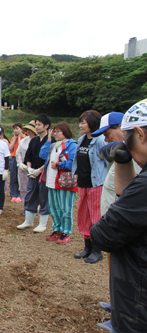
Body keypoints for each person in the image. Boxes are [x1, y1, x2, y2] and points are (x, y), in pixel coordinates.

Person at [90, 98, 147, 333]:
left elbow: (103, 236)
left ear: (140, 134)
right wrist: (124, 162)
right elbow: (131, 197)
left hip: (138, 303)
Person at [72, 110, 108, 264]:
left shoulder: (100, 140)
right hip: (83, 184)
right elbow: (77, 161)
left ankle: (97, 250)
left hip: (96, 184)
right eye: (80, 122)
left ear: (92, 123)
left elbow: (107, 162)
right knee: (83, 215)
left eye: (83, 122)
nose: (80, 125)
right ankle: (87, 247)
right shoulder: (81, 140)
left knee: (95, 217)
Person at [39, 122, 78, 244]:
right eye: (54, 131)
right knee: (54, 207)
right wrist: (48, 141)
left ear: (65, 132)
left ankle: (66, 231)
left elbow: (73, 164)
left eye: (58, 131)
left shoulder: (72, 145)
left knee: (65, 208)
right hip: (51, 180)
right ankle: (57, 230)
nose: (55, 134)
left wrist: (59, 164)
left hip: (64, 181)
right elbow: (42, 155)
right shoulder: (53, 145)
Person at [17, 114, 55, 232]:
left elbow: (50, 159)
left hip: (45, 173)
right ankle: (28, 221)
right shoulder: (33, 140)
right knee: (30, 195)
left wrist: (40, 170)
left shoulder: (52, 140)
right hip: (32, 172)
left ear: (46, 126)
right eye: (36, 124)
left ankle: (42, 224)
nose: (36, 127)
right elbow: (28, 156)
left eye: (39, 125)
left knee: (44, 196)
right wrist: (29, 169)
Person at [16, 121, 37, 207]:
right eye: (27, 130)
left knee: (34, 188)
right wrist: (20, 163)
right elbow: (18, 153)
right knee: (23, 187)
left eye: (31, 130)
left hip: (35, 168)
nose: (29, 131)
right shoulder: (23, 141)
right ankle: (25, 205)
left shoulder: (38, 140)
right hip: (23, 167)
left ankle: (35, 205)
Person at [8, 122, 26, 202]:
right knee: (13, 177)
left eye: (17, 128)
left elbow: (20, 147)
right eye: (14, 129)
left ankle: (20, 195)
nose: (15, 130)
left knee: (20, 177)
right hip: (13, 158)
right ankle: (13, 194)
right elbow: (10, 148)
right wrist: (15, 138)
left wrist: (19, 137)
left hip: (21, 158)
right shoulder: (13, 138)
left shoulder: (24, 138)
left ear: (21, 129)